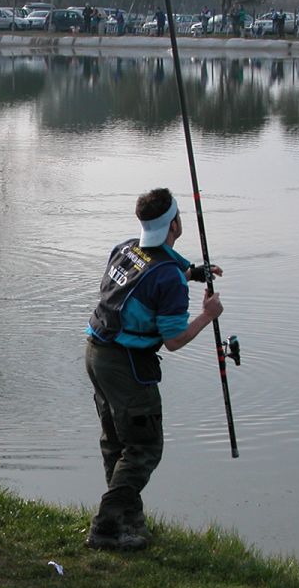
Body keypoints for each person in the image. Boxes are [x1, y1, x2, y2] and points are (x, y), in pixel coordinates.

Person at [83, 188, 224, 552]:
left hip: (96, 354)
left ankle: (129, 524)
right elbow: (174, 339)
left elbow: (151, 268)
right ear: (175, 223)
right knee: (145, 447)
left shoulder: (127, 248)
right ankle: (106, 525)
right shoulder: (169, 280)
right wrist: (207, 316)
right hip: (127, 366)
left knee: (117, 441)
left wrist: (192, 271)